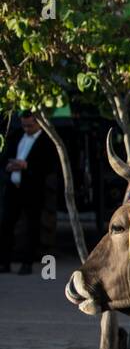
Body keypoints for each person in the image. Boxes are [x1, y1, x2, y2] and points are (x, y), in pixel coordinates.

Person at [1, 111, 57, 275]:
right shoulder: (17, 135)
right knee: (6, 224)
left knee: (32, 227)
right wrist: (9, 166)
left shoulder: (46, 141)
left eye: (30, 125)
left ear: (39, 123)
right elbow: (6, 156)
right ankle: (4, 262)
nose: (26, 128)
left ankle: (27, 263)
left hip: (32, 188)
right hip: (14, 186)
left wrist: (27, 166)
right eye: (24, 125)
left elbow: (48, 166)